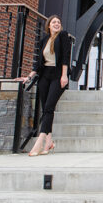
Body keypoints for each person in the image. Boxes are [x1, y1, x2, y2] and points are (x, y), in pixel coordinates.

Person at [18, 15, 71, 156]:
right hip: (44, 76)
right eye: (54, 22)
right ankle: (49, 142)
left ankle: (39, 143)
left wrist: (64, 75)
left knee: (48, 108)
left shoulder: (63, 36)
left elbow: (66, 56)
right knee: (46, 109)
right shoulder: (43, 41)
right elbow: (38, 63)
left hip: (58, 75)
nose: (57, 24)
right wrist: (29, 76)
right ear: (48, 25)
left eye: (59, 22)